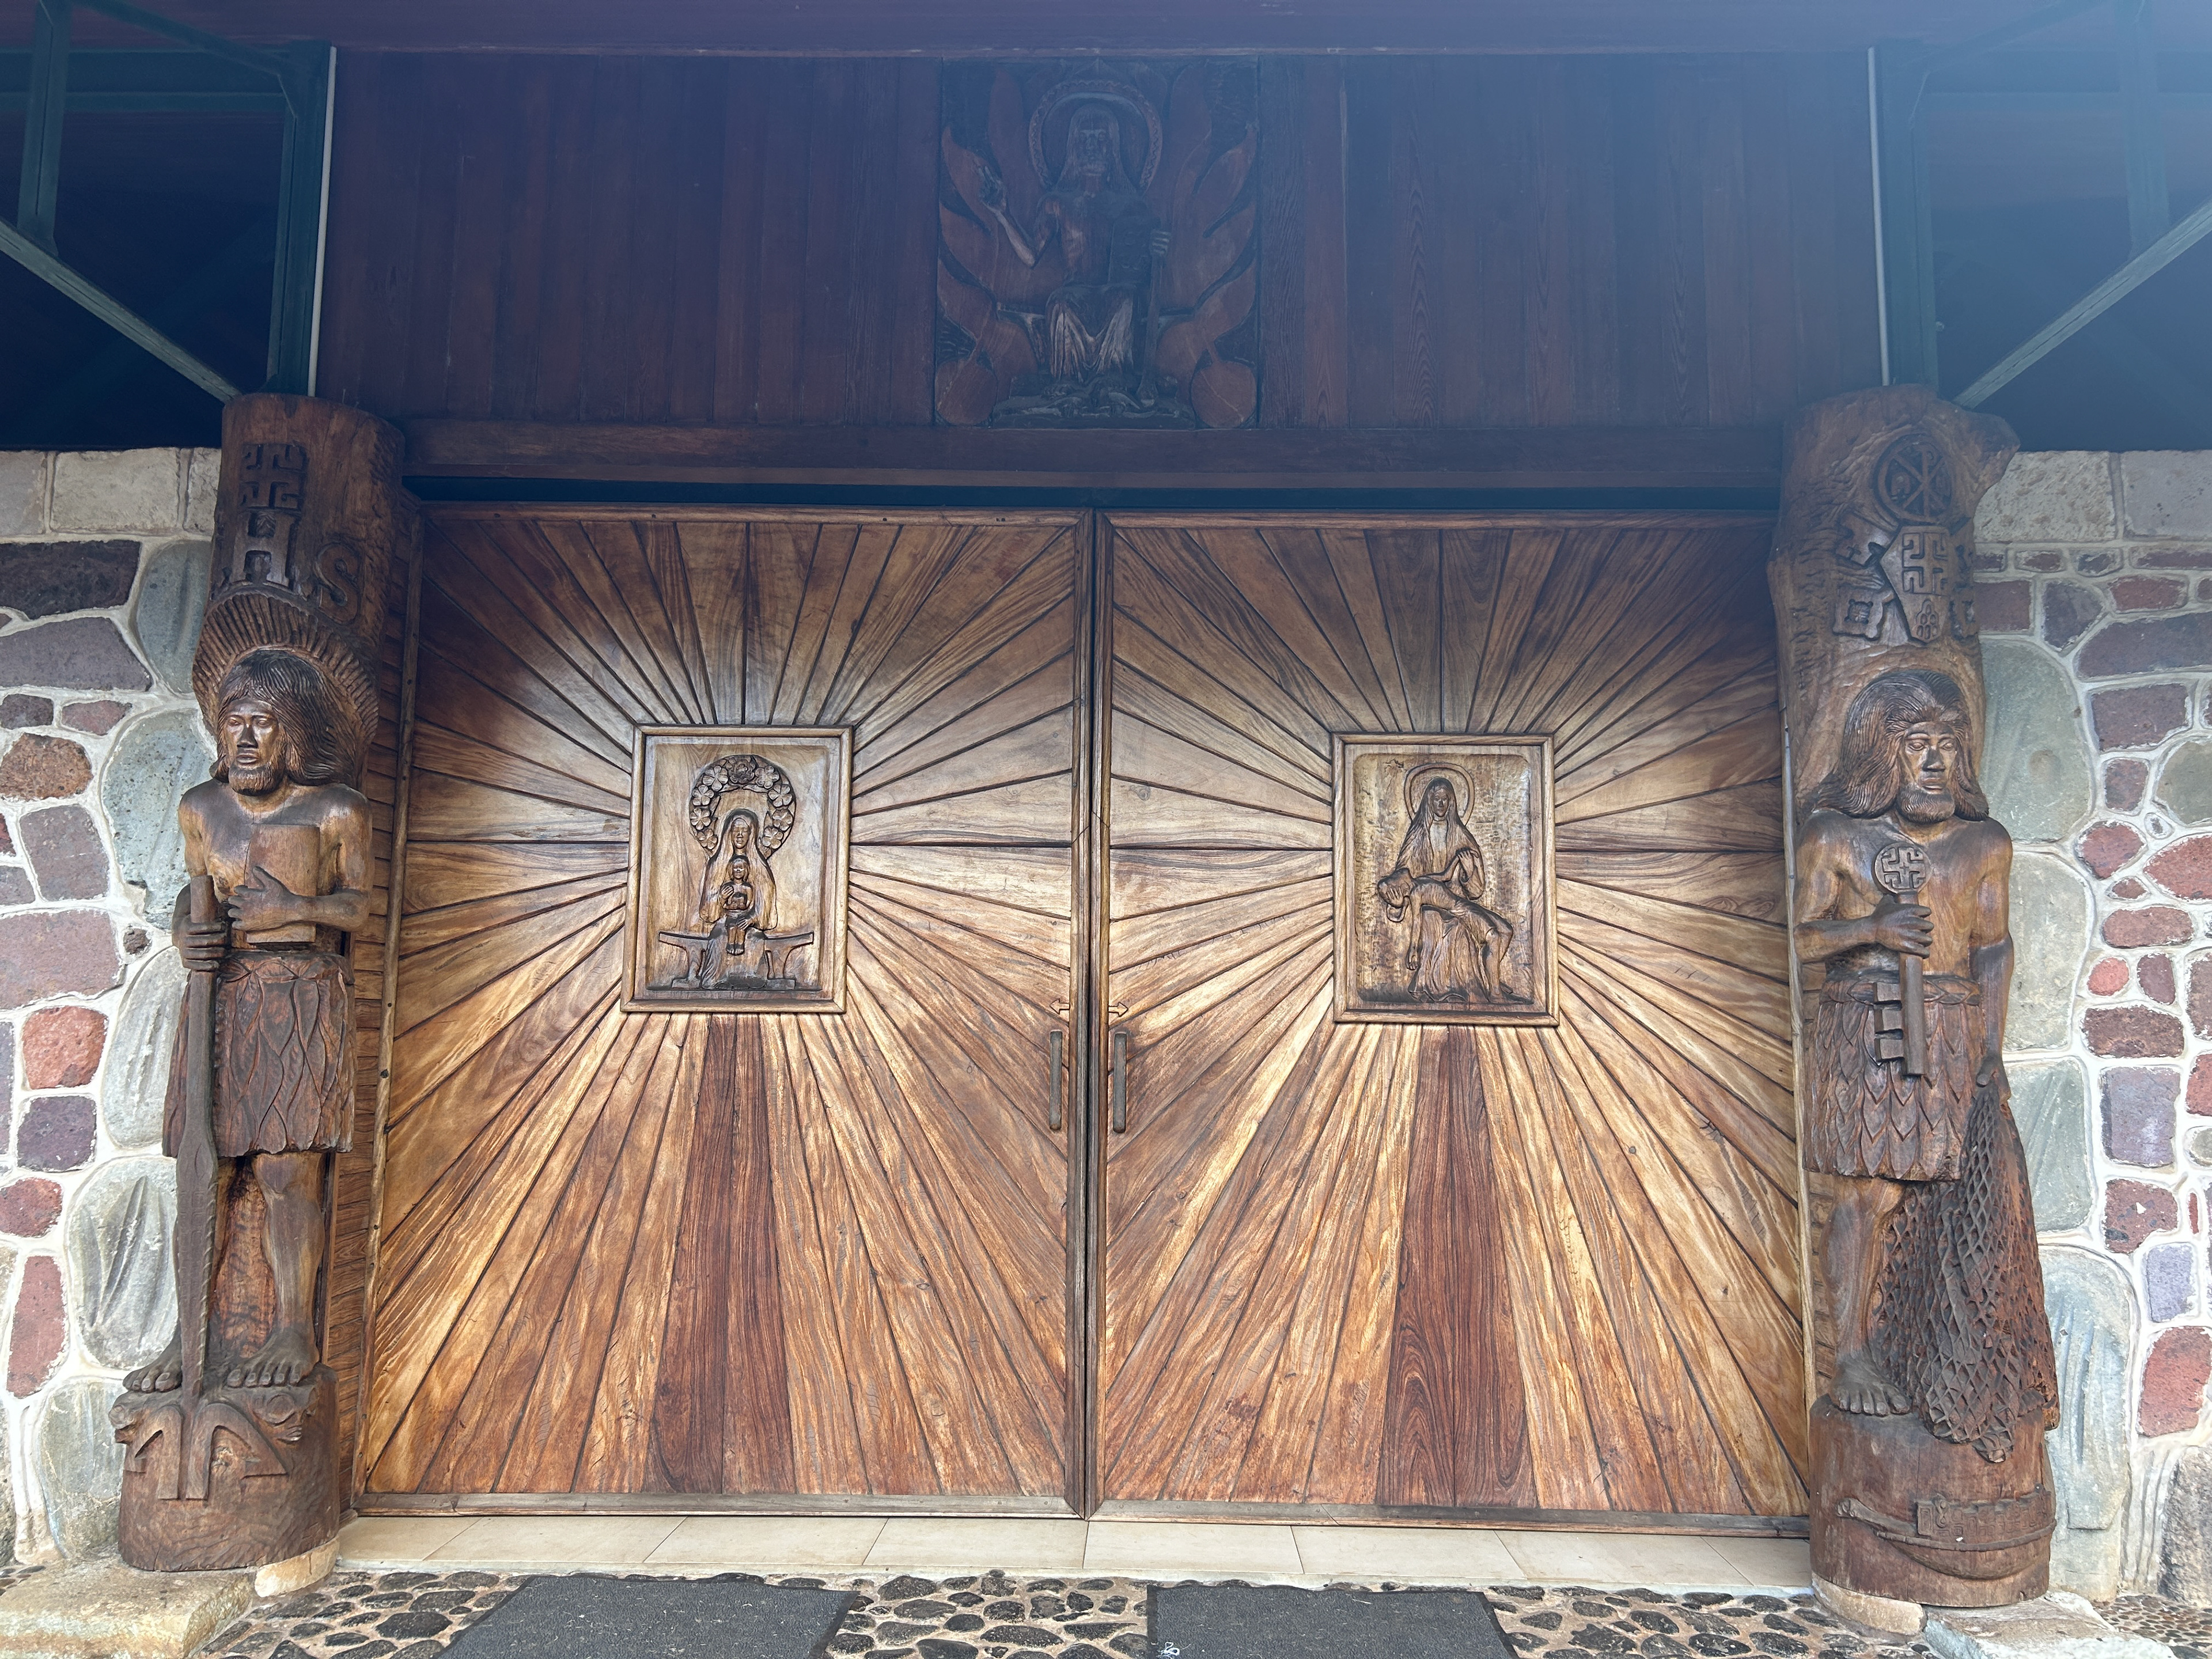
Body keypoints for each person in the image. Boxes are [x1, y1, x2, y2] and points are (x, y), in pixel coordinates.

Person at [127, 648, 370, 1395]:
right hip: (221, 997)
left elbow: (359, 906)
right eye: (234, 723)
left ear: (291, 732)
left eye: (262, 723)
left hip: (300, 997)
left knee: (286, 1168)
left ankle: (294, 1325)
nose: (245, 739)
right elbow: (193, 888)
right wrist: (184, 930)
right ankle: (188, 1336)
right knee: (206, 1171)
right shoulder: (203, 808)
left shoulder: (336, 811)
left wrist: (297, 907)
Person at [1793, 669, 2014, 1420]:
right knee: (1868, 1193)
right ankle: (1853, 1354)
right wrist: (1872, 930)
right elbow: (1802, 938)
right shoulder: (1835, 837)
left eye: (1948, 743)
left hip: (1952, 1027)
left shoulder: (1983, 844)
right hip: (1866, 1022)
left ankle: (1929, 1352)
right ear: (1880, 751)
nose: (1935, 761)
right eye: (1918, 743)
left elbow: (1992, 946)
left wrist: (1990, 1048)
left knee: (1946, 1195)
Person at [976, 101, 1171, 388]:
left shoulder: (1131, 206)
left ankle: (1113, 383)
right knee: (1061, 303)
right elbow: (1031, 257)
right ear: (1073, 147)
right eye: (1084, 139)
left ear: (1113, 148)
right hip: (1074, 290)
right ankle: (1067, 384)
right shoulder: (1057, 203)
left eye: (1101, 139)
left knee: (1125, 298)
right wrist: (1002, 214)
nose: (1092, 147)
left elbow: (1142, 267)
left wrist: (1157, 250)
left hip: (1115, 289)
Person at [1377, 774, 1514, 1003]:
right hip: (1433, 910)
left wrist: (1469, 871)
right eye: (1436, 799)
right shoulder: (1417, 836)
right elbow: (1402, 880)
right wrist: (1397, 904)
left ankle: (1489, 977)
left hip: (1459, 902)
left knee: (1506, 931)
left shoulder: (1461, 835)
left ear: (1452, 802)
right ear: (1428, 802)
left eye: (1445, 799)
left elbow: (1475, 890)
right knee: (1461, 929)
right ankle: (1491, 992)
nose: (1441, 804)